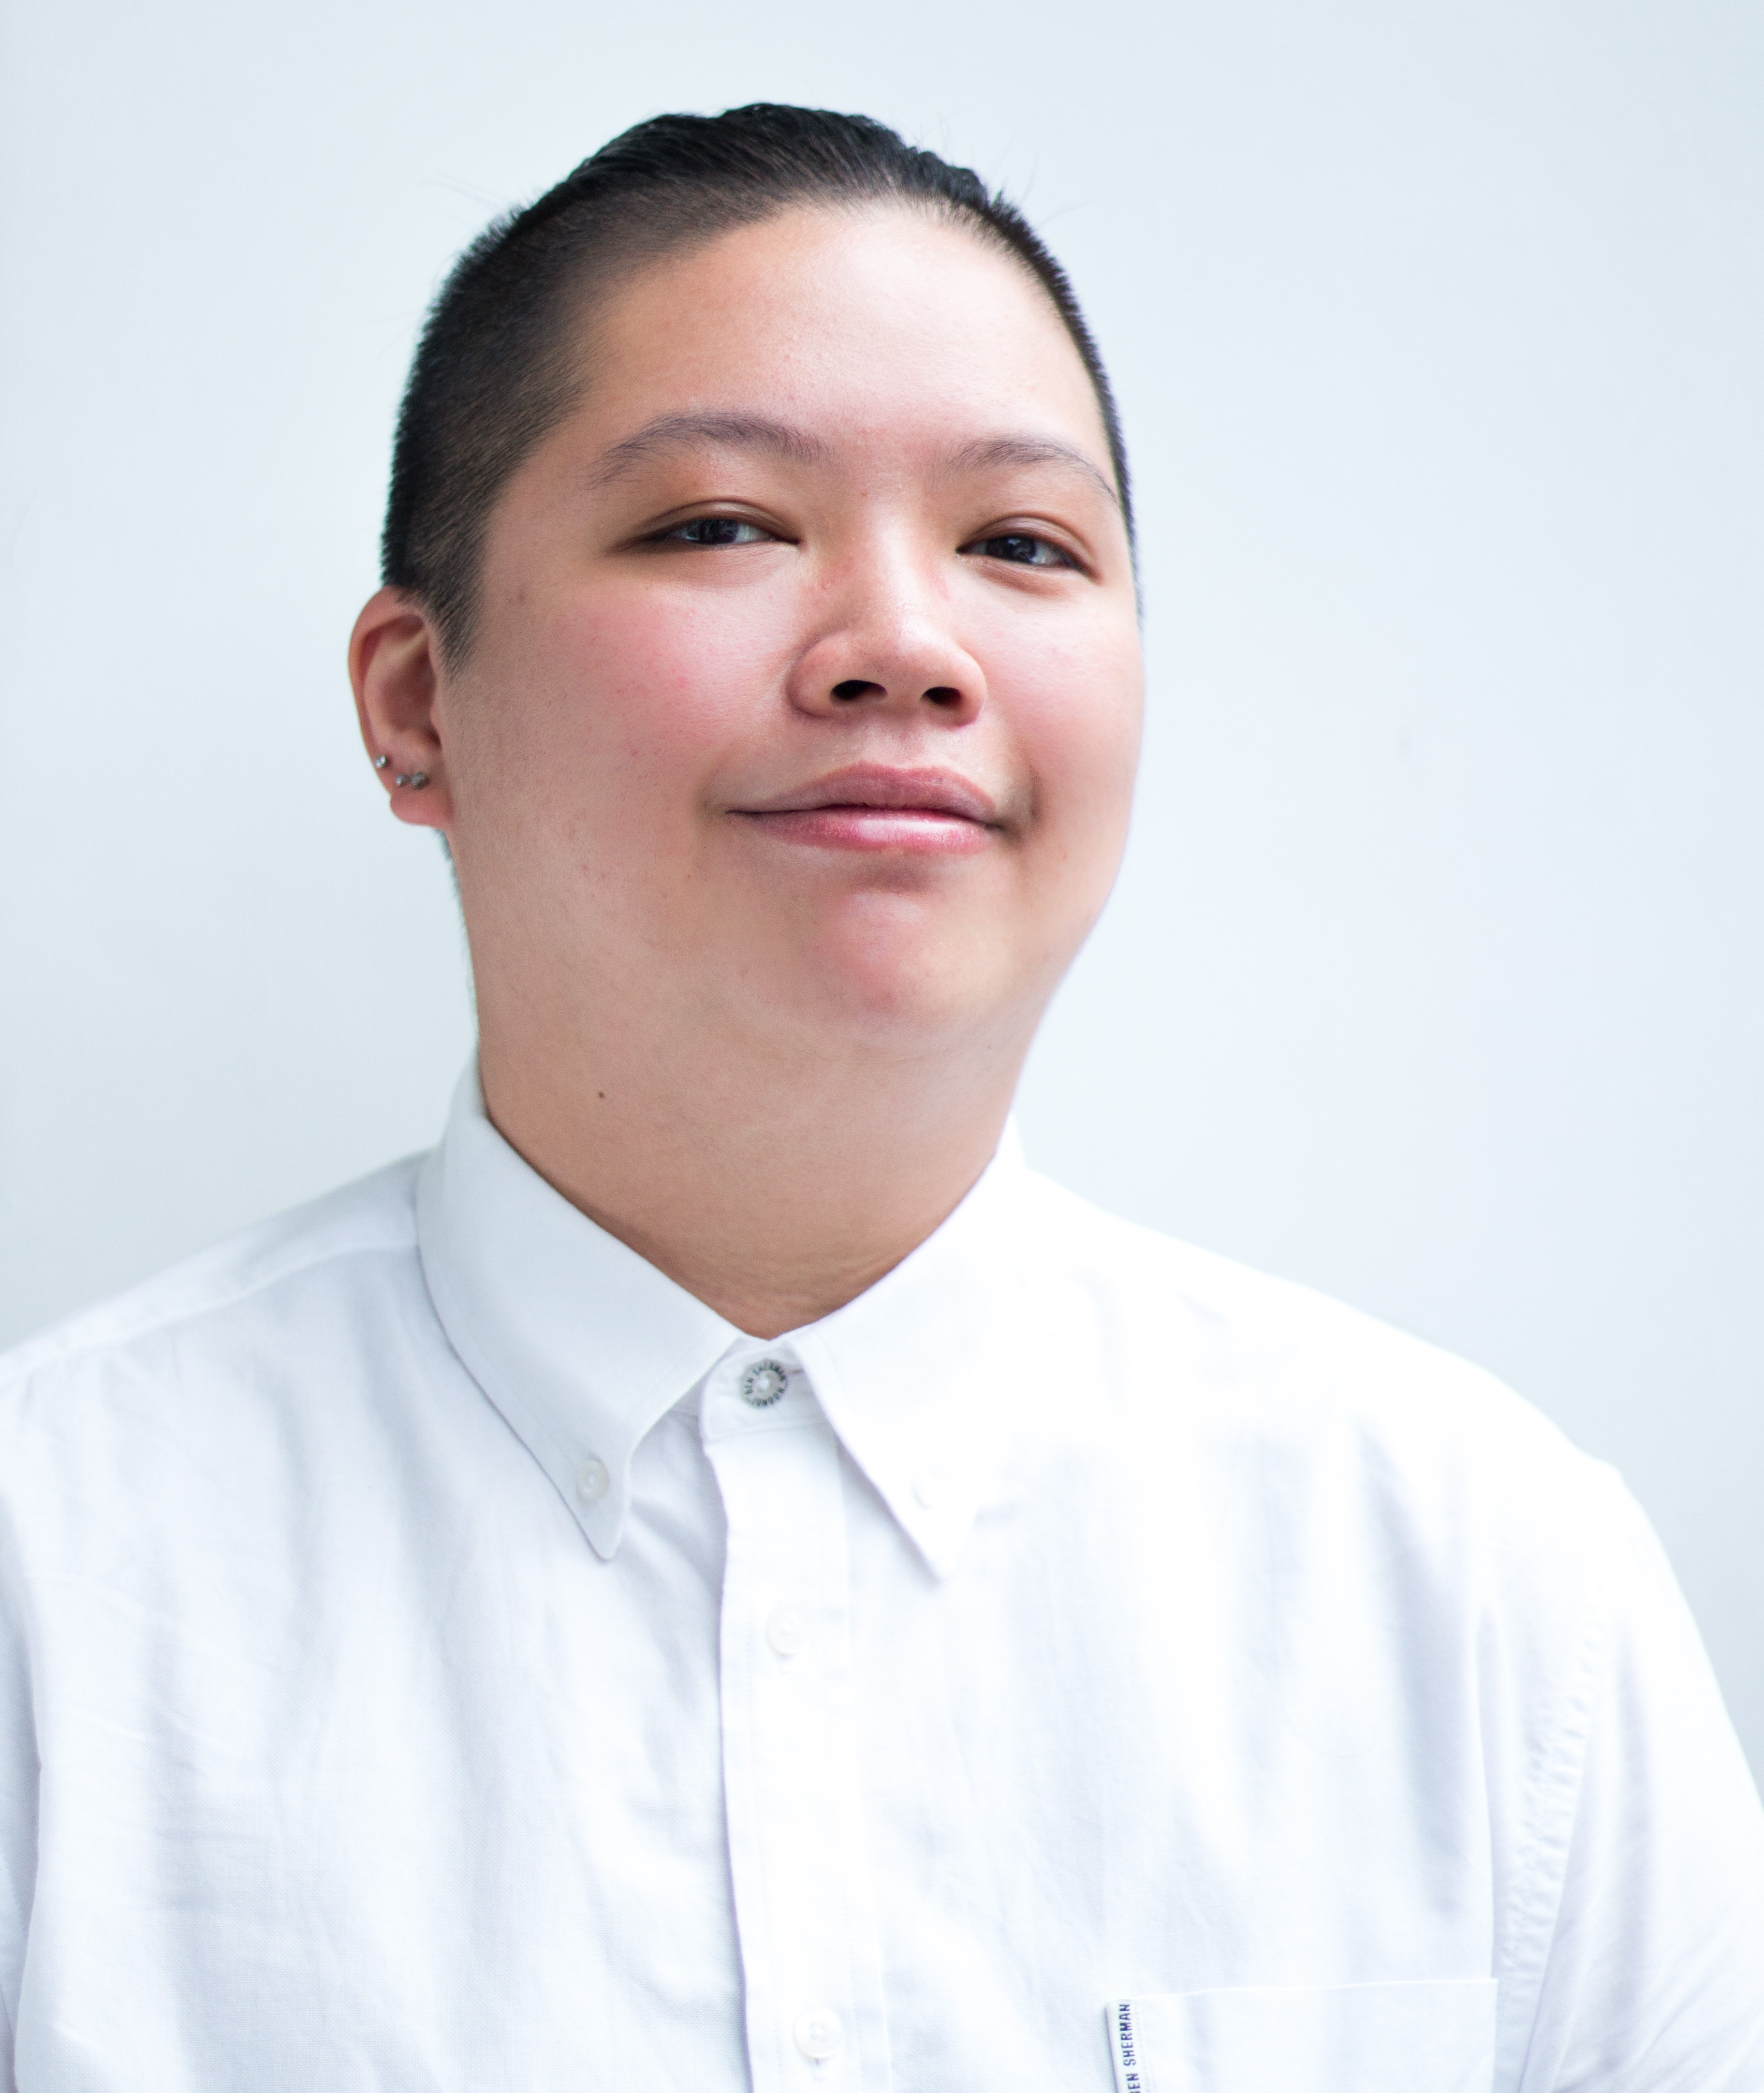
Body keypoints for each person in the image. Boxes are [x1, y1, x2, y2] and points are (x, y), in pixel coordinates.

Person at [0, 105, 1759, 2093]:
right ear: (420, 706)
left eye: (1022, 544)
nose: (908, 648)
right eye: (723, 524)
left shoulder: (1481, 1586)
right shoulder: (57, 1580)